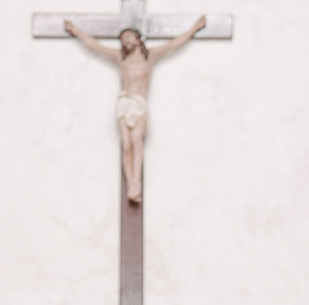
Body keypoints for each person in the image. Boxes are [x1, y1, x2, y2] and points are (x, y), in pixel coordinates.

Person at [63, 16, 205, 202]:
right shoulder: (120, 58)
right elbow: (96, 46)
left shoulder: (150, 56)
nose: (125, 41)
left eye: (129, 37)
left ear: (138, 39)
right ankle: (131, 185)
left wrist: (194, 28)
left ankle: (136, 183)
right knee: (126, 146)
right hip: (124, 102)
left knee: (137, 141)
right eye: (122, 39)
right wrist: (76, 31)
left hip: (139, 103)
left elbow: (173, 44)